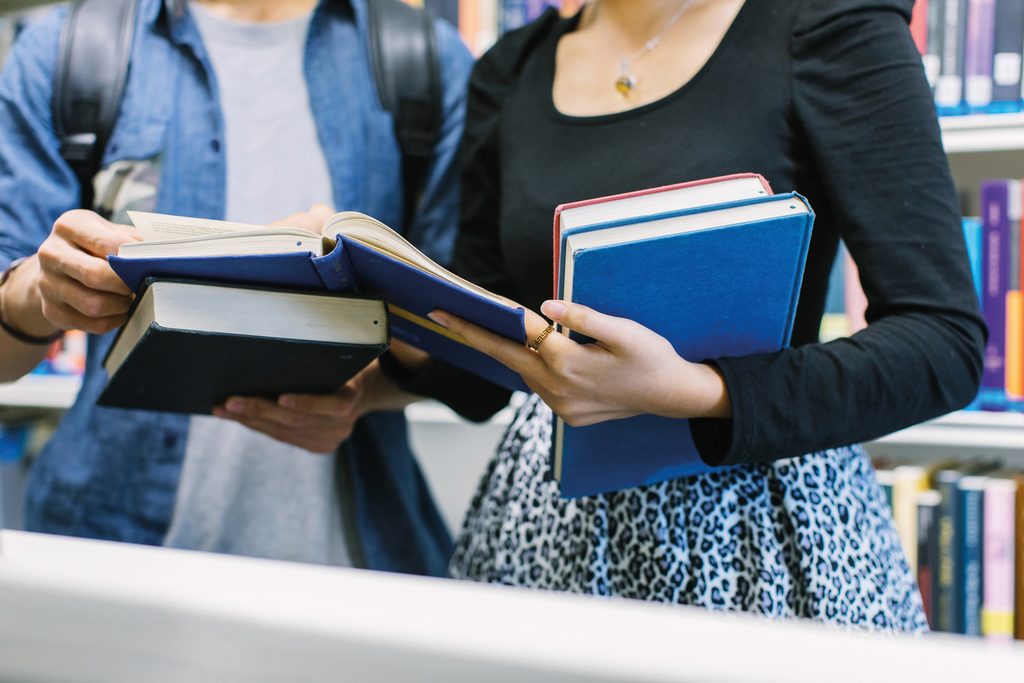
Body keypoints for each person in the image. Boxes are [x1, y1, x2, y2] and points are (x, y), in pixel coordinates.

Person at [357, 0, 985, 630]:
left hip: (764, 534)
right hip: (546, 535)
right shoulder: (510, 69)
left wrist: (693, 392)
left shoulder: (829, 26)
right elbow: (485, 368)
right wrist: (380, 302)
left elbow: (942, 343)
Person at [0, 0, 471, 575]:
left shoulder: (423, 60)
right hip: (112, 560)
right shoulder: (70, 50)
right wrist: (41, 290)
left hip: (355, 563)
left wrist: (362, 394)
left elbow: (459, 343)